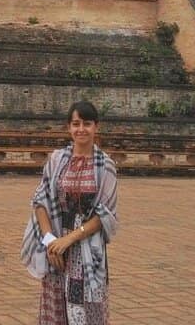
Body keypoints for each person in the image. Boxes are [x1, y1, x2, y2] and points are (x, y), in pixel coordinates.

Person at [21, 100, 119, 324]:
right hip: (56, 249)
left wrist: (69, 240)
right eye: (76, 124)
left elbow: (105, 215)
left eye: (87, 123)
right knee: (56, 311)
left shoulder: (105, 166)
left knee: (84, 311)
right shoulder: (57, 160)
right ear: (69, 128)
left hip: (88, 252)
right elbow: (40, 201)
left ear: (96, 127)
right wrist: (50, 241)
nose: (81, 129)